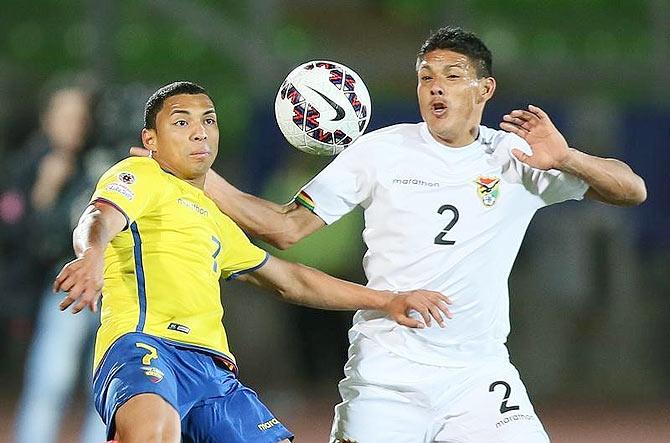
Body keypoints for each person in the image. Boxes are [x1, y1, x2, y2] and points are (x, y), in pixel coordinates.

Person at [195, 27, 647, 442]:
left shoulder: (515, 158)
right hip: (388, 375)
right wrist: (203, 176)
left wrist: (568, 158)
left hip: (478, 376)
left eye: (452, 76)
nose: (435, 85)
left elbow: (631, 189)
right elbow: (285, 227)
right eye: (426, 76)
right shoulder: (378, 151)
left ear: (484, 90)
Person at [54, 81, 451, 443]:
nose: (199, 131)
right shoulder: (140, 173)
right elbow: (99, 216)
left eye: (208, 120)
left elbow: (290, 279)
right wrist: (92, 255)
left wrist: (388, 300)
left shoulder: (213, 218)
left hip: (212, 370)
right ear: (151, 140)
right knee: (154, 432)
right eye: (181, 122)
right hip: (145, 346)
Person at [12, 82, 107, 443]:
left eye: (81, 117)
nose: (75, 125)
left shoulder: (101, 161)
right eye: (66, 116)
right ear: (47, 120)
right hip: (62, 288)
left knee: (103, 382)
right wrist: (44, 194)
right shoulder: (28, 166)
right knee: (51, 379)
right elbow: (17, 238)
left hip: (107, 287)